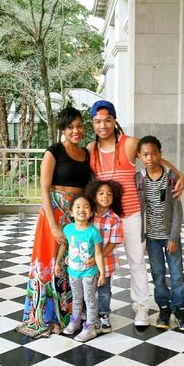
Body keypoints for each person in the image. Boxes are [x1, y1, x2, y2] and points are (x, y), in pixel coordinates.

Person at [87, 100, 184, 327]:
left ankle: (141, 308)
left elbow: (153, 155)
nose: (103, 125)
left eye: (107, 120)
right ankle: (99, 311)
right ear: (92, 123)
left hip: (131, 215)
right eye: (97, 121)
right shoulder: (92, 150)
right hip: (106, 217)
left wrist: (179, 174)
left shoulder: (129, 144)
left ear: (114, 120)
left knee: (136, 262)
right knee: (100, 261)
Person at [16, 107, 91, 338]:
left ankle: (72, 314)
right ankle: (46, 316)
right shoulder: (53, 152)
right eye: (70, 127)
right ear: (63, 130)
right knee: (49, 262)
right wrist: (53, 225)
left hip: (77, 214)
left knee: (74, 264)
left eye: (79, 126)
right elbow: (44, 190)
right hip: (54, 215)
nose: (76, 131)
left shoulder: (86, 153)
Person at [136, 135, 184, 331]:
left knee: (177, 274)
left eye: (154, 153)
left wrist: (174, 237)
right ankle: (164, 307)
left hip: (170, 237)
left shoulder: (171, 178)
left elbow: (177, 211)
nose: (150, 158)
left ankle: (180, 308)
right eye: (145, 154)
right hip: (151, 237)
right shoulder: (139, 178)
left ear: (160, 154)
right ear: (139, 156)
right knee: (158, 274)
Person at [55, 194, 106, 342]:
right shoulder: (68, 229)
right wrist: (58, 262)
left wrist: (102, 273)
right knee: (77, 298)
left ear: (91, 212)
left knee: (90, 299)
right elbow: (63, 246)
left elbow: (98, 253)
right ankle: (75, 321)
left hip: (89, 273)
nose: (81, 210)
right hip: (73, 272)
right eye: (77, 207)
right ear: (71, 212)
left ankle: (90, 327)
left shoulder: (93, 232)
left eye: (85, 207)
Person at [85, 180, 124, 333]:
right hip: (87, 262)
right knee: (87, 289)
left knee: (104, 291)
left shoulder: (115, 219)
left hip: (106, 262)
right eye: (101, 193)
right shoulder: (89, 216)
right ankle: (88, 314)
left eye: (109, 194)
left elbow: (113, 243)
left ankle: (104, 315)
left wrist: (98, 257)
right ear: (94, 197)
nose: (105, 196)